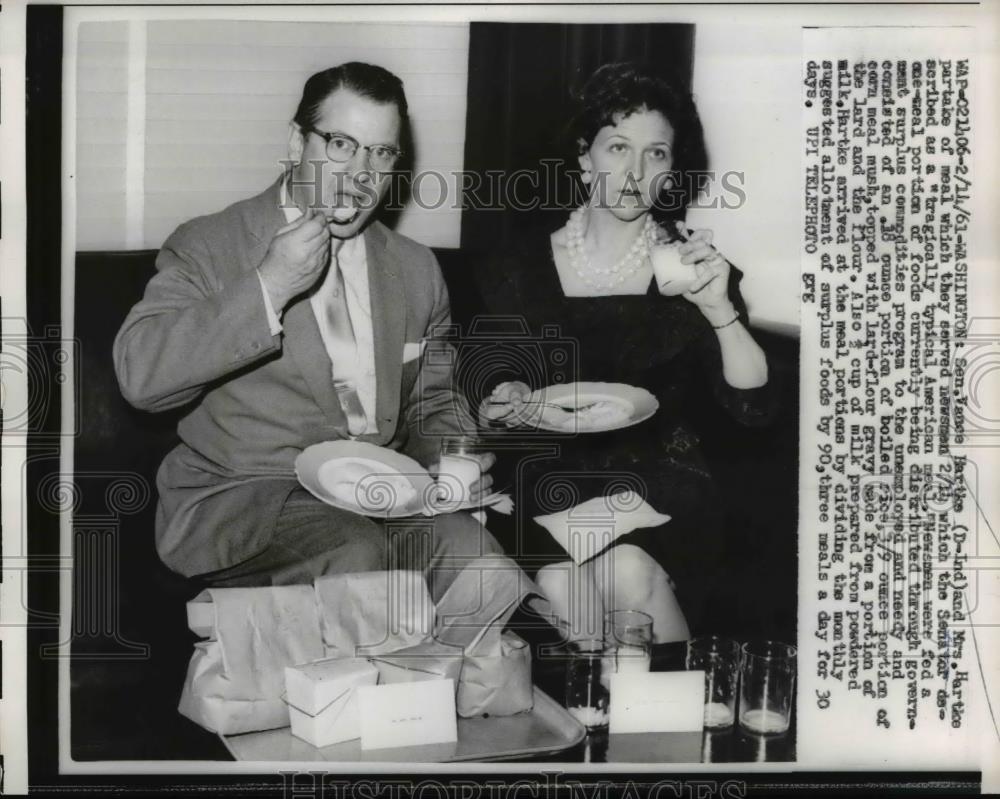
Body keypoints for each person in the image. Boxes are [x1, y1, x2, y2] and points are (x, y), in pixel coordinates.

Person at [114, 62, 503, 600]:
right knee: (355, 555)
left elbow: (432, 402)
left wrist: (452, 458)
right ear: (297, 143)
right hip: (248, 498)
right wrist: (270, 285)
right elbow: (141, 375)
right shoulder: (209, 243)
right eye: (341, 144)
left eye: (381, 153)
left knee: (481, 566)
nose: (361, 175)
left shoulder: (416, 269)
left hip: (384, 498)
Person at [474, 62, 777, 642]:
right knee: (593, 578)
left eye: (656, 154)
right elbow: (488, 391)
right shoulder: (514, 268)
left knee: (628, 570)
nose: (636, 171)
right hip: (538, 485)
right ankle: (625, 718)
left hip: (654, 487)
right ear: (585, 157)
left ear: (672, 170)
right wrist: (503, 399)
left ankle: (649, 723)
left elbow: (754, 405)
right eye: (618, 147)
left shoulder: (688, 266)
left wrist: (718, 308)